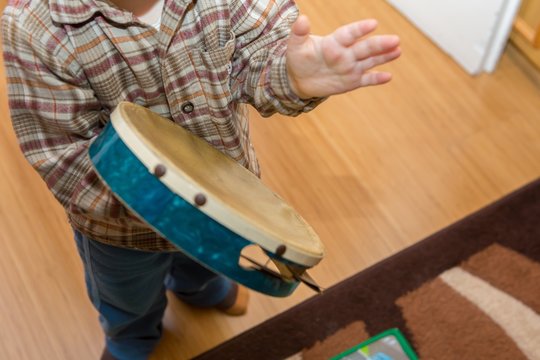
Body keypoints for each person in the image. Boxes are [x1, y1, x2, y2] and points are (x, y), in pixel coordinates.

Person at [1, 0, 401, 359]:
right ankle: (131, 339)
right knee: (126, 299)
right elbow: (60, 153)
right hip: (120, 231)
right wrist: (164, 208)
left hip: (223, 207)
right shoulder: (33, 27)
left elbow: (265, 45)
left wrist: (292, 72)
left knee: (206, 264)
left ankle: (200, 291)